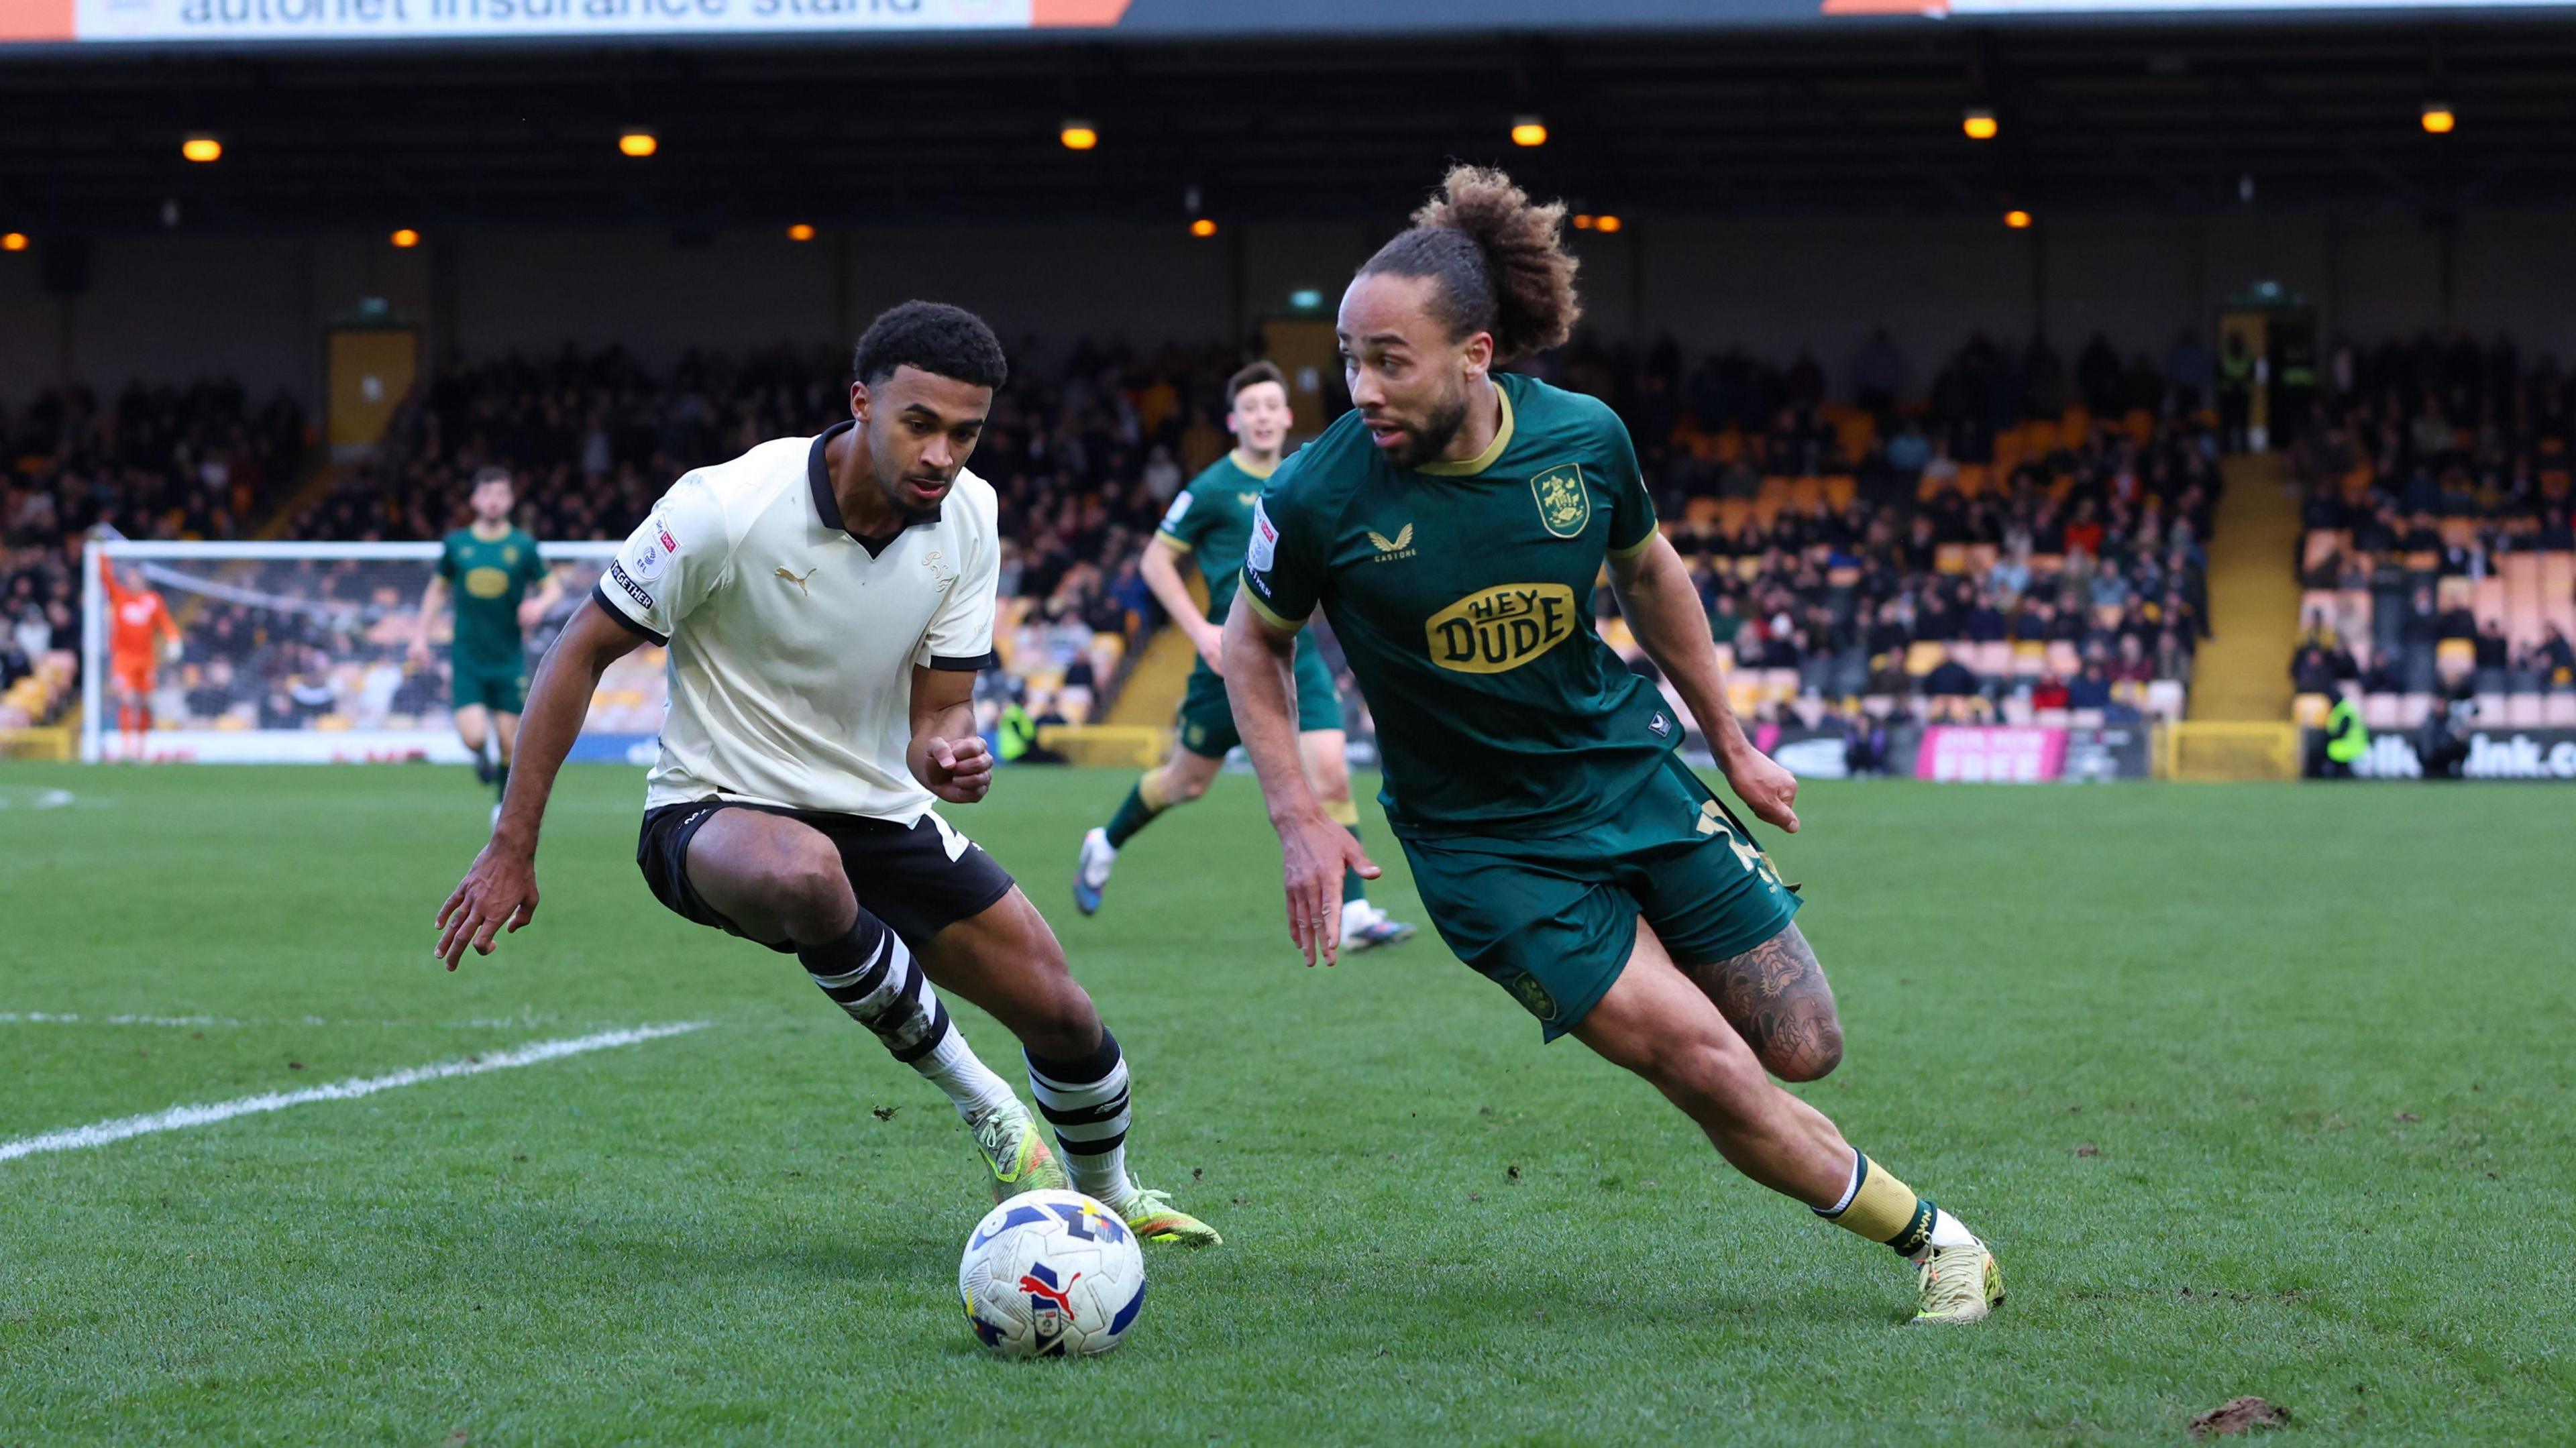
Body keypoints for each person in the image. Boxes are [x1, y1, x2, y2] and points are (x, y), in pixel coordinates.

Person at [1223, 167, 2000, 1325]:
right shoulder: (1320, 491)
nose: (1361, 387)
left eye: (1392, 360)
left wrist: (1730, 740)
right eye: (1348, 357)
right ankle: (1940, 1240)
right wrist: (1296, 812)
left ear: (1477, 353)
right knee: (1698, 1057)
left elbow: (1649, 572)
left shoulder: (1584, 439)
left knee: (1801, 1045)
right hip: (1487, 847)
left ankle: (1681, 1001)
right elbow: (1252, 649)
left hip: (1628, 777)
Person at [432, 302, 1218, 1247]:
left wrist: (949, 751)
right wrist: (512, 841)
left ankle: (1108, 1200)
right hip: (714, 811)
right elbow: (577, 653)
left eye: (965, 433)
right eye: (918, 423)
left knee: (1061, 1007)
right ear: (861, 403)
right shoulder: (725, 506)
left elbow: (941, 710)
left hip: (879, 812)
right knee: (807, 874)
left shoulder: (973, 515)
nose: (942, 454)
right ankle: (986, 1103)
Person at [1071, 360, 1414, 952]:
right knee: (1186, 783)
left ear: (1286, 416)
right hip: (1231, 660)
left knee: (1331, 770)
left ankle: (1355, 914)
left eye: (1270, 407)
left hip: (1296, 652)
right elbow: (1155, 562)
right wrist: (1202, 631)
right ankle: (1106, 841)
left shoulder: (1308, 475)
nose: (1261, 417)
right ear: (1235, 420)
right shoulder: (1209, 487)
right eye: (1249, 408)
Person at [410, 468, 563, 816]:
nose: (494, 501)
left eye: (501, 494)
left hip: (508, 658)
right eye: (487, 493)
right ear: (475, 499)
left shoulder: (523, 546)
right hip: (467, 657)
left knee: (511, 742)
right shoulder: (457, 544)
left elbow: (553, 587)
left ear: (510, 500)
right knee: (474, 736)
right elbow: (436, 589)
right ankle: (480, 757)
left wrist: (538, 604)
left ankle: (500, 807)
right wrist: (420, 636)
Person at [99, 551, 181, 760]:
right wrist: (100, 553)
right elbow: (105, 576)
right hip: (124, 659)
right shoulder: (119, 596)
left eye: (135, 577)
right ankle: (127, 748)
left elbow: (166, 623)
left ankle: (141, 750)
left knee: (145, 703)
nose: (131, 581)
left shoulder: (153, 601)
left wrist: (173, 639)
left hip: (146, 660)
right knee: (127, 700)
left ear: (142, 579)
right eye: (129, 577)